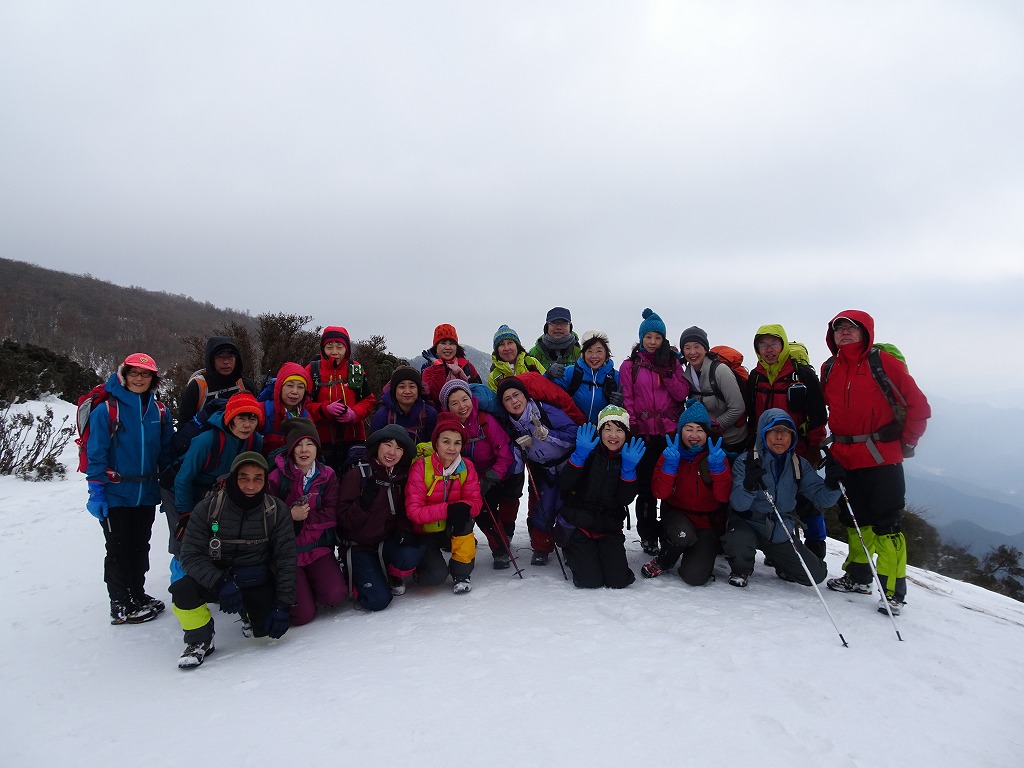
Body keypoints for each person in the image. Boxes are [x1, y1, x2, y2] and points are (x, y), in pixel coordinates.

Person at [821, 311, 931, 615]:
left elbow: (918, 405)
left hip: (881, 457)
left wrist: (907, 441)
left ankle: (893, 591)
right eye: (839, 328)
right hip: (844, 456)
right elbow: (824, 409)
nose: (844, 332)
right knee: (855, 521)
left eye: (850, 328)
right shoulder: (830, 368)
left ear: (865, 332)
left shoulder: (882, 362)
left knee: (887, 525)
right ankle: (859, 577)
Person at [172, 452, 296, 669]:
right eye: (244, 478)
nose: (251, 486)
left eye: (258, 478)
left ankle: (247, 613)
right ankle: (199, 639)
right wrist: (220, 582)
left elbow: (286, 559)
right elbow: (190, 555)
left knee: (265, 631)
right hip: (216, 577)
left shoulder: (276, 510)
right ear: (233, 477)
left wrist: (282, 605)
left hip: (253, 578)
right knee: (183, 590)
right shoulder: (208, 508)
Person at [85, 352, 174, 624]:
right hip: (116, 493)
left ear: (153, 379)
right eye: (134, 373)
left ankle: (137, 594)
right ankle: (120, 604)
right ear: (124, 375)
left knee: (140, 546)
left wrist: (169, 488)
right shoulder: (107, 410)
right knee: (118, 549)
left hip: (146, 493)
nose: (139, 378)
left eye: (145, 374)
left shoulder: (159, 411)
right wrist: (96, 492)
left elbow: (166, 454)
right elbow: (96, 454)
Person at [724, 409, 841, 588]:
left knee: (815, 575)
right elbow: (738, 505)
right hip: (748, 523)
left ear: (792, 437)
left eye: (785, 432)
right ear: (763, 434)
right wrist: (749, 486)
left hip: (780, 529)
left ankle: (781, 562)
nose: (779, 436)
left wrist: (832, 485)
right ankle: (741, 570)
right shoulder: (746, 461)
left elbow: (822, 499)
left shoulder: (798, 464)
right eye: (773, 431)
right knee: (739, 540)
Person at [744, 324, 829, 560]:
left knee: (806, 499)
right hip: (766, 451)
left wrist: (815, 447)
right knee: (775, 498)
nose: (769, 349)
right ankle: (779, 548)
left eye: (774, 343)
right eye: (763, 345)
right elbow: (751, 415)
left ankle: (815, 549)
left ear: (783, 345)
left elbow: (818, 416)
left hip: (799, 449)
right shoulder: (756, 377)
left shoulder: (802, 376)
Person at [619, 308, 689, 555]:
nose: (652, 342)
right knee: (646, 488)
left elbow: (682, 394)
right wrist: (633, 426)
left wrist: (667, 372)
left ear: (664, 339)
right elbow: (628, 397)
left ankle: (670, 534)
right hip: (644, 434)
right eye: (648, 337)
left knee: (670, 485)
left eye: (657, 337)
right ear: (641, 338)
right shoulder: (630, 365)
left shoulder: (673, 363)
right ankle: (648, 536)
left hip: (670, 433)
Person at [643, 400, 732, 586]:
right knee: (682, 534)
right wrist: (669, 467)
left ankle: (696, 555)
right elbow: (660, 493)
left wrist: (718, 470)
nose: (694, 435)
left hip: (707, 524)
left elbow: (723, 497)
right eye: (689, 429)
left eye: (700, 430)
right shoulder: (670, 453)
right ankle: (664, 560)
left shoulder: (715, 456)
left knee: (695, 577)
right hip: (677, 518)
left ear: (707, 432)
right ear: (680, 431)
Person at [266, 418, 345, 625]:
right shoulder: (275, 478)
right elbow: (266, 516)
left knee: (335, 594)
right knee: (302, 615)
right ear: (290, 449)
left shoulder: (327, 475)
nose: (304, 450)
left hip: (317, 548)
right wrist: (289, 515)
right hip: (288, 553)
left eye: (310, 444)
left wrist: (304, 521)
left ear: (317, 448)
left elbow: (331, 511)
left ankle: (312, 585)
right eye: (298, 444)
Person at [557, 405, 644, 589]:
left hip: (608, 528)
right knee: (590, 581)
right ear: (600, 431)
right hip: (580, 525)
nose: (613, 435)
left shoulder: (630, 456)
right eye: (608, 429)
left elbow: (624, 500)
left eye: (619, 430)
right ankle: (572, 549)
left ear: (626, 433)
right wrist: (579, 456)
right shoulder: (588, 450)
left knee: (618, 581)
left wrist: (629, 470)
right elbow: (564, 484)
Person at [438, 379, 519, 569]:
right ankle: (469, 542)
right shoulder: (446, 428)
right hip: (466, 478)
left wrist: (489, 478)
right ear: (447, 407)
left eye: (464, 399)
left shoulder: (485, 421)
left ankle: (502, 545)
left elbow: (505, 455)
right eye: (454, 403)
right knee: (475, 511)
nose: (461, 406)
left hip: (496, 475)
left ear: (471, 398)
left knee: (490, 510)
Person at [337, 424, 419, 609]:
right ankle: (358, 578)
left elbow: (402, 511)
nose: (392, 452)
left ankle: (387, 573)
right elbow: (343, 521)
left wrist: (404, 530)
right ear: (377, 446)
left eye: (399, 448)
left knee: (412, 552)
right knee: (378, 601)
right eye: (387, 444)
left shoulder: (400, 477)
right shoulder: (358, 474)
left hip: (384, 543)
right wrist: (363, 504)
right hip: (359, 546)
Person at [497, 377, 577, 565]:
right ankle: (542, 547)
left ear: (525, 395)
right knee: (543, 508)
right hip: (543, 470)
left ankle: (570, 545)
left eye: (516, 395)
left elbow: (574, 434)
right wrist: (519, 450)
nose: (514, 401)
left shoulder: (544, 410)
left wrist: (548, 436)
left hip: (567, 466)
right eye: (507, 399)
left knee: (568, 506)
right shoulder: (510, 426)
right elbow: (516, 468)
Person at [404, 413, 484, 594]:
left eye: (457, 443)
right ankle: (419, 569)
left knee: (466, 520)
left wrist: (462, 509)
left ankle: (462, 574)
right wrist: (449, 509)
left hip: (451, 527)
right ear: (436, 443)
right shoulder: (421, 467)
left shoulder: (466, 467)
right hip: (425, 532)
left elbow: (476, 503)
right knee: (436, 577)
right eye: (446, 442)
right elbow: (413, 511)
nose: (452, 448)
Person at [304, 326, 376, 474]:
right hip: (320, 440)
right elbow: (303, 405)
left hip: (353, 439)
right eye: (329, 347)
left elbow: (368, 400)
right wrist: (325, 409)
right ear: (322, 348)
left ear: (347, 349)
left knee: (353, 482)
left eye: (339, 347)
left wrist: (354, 414)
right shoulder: (311, 371)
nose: (334, 352)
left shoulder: (355, 369)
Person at [680, 325, 749, 455]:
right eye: (687, 348)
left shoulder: (720, 371)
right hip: (706, 440)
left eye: (697, 346)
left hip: (732, 440)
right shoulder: (688, 374)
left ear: (705, 349)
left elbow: (738, 407)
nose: (692, 352)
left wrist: (715, 426)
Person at [176, 335, 255, 426]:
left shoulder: (244, 385)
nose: (226, 362)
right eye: (220, 357)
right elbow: (184, 425)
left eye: (230, 356)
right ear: (211, 360)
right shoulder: (198, 387)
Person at [550, 329, 621, 425]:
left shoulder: (615, 377)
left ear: (606, 353)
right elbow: (544, 391)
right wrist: (549, 375)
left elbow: (629, 408)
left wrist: (620, 405)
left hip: (604, 431)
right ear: (583, 353)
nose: (594, 356)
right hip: (572, 429)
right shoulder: (571, 373)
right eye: (589, 351)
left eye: (599, 351)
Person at [369, 365, 438, 448]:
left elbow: (435, 446)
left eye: (412, 386)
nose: (407, 391)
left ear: (418, 390)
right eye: (402, 387)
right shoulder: (383, 415)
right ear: (394, 390)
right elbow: (373, 447)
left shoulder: (430, 414)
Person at [420, 324, 483, 407]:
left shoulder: (467, 366)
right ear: (436, 347)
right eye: (443, 343)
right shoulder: (427, 370)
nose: (447, 347)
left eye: (451, 343)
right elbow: (435, 397)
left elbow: (479, 391)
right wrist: (438, 366)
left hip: (467, 410)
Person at [259, 362, 313, 456]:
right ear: (280, 387)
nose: (295, 391)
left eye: (300, 387)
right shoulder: (263, 411)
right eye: (289, 385)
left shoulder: (306, 417)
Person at [528, 307, 582, 380]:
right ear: (547, 327)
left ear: (570, 327)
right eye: (554, 323)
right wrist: (547, 374)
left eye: (563, 323)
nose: (559, 327)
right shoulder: (534, 353)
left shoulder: (581, 352)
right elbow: (529, 380)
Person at [487, 324, 545, 390]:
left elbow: (547, 386)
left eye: (510, 343)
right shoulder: (494, 377)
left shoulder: (531, 362)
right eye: (501, 345)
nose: (506, 348)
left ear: (517, 345)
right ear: (497, 350)